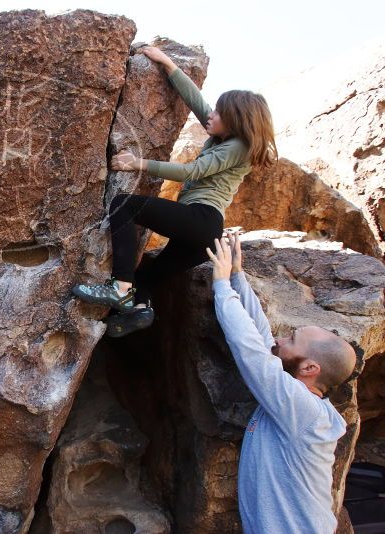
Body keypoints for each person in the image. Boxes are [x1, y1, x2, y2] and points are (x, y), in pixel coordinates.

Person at [72, 46, 277, 338]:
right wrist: (167, 64)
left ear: (235, 121)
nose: (212, 114)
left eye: (219, 112)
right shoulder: (224, 134)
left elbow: (190, 172)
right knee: (146, 275)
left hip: (201, 218)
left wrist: (136, 164)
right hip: (201, 238)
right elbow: (197, 101)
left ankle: (119, 289)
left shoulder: (237, 147)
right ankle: (141, 309)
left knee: (125, 206)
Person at [206, 232, 357, 534]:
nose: (279, 338)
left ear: (309, 368)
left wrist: (221, 286)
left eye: (291, 340)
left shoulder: (303, 410)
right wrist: (237, 277)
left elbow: (251, 351)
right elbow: (263, 342)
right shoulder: (295, 400)